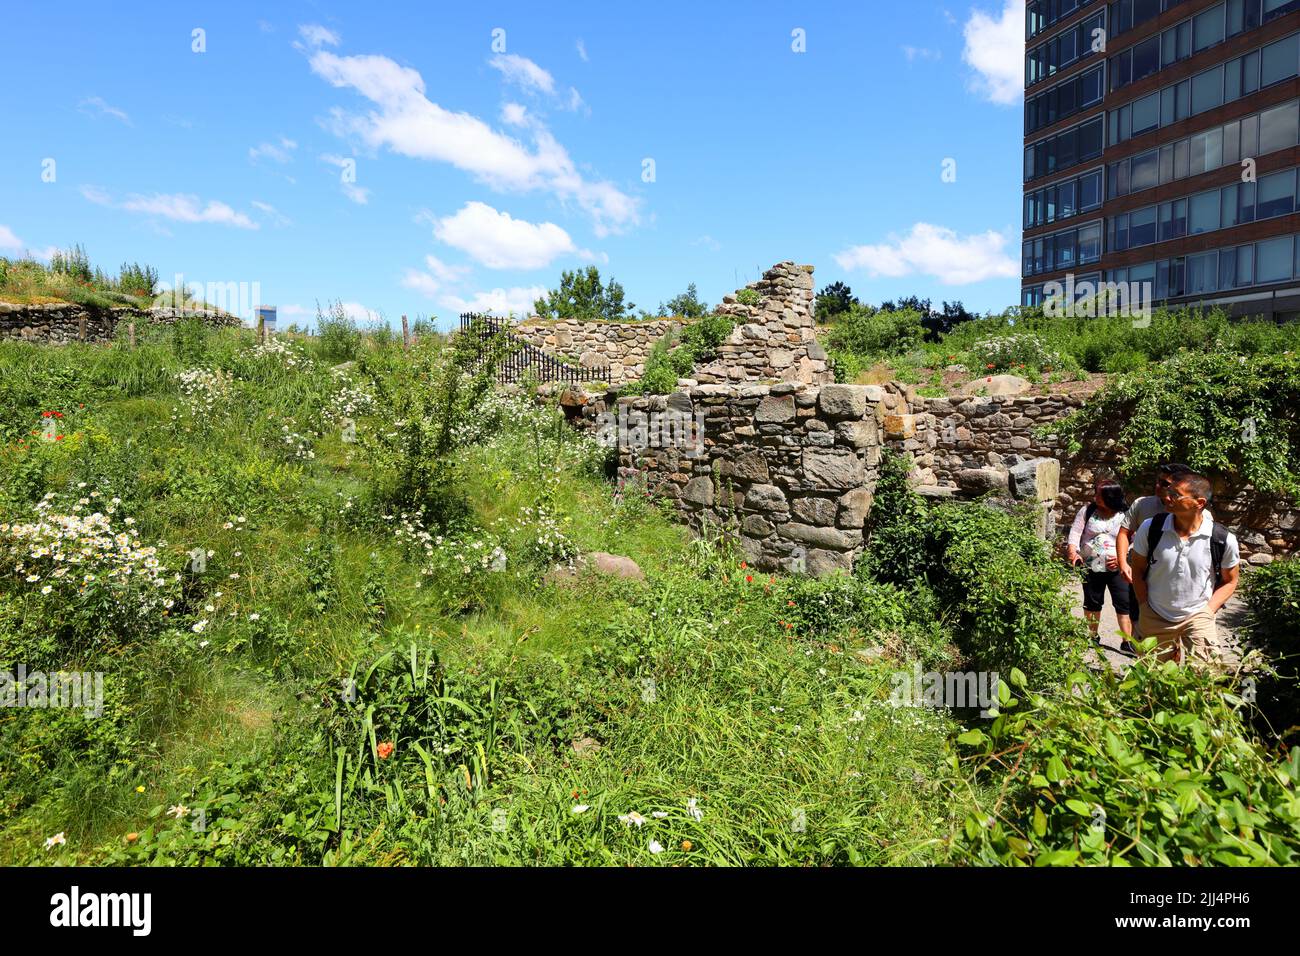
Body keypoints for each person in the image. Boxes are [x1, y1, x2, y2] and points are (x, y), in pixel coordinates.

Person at [1129, 472, 1240, 666]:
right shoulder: (1151, 528)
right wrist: (1144, 605)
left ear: (1200, 502)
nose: (1168, 497)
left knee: (1205, 680)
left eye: (1176, 494)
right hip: (1155, 614)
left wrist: (1209, 610)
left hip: (1198, 617)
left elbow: (1230, 580)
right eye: (1169, 492)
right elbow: (1137, 569)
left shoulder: (1222, 538)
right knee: (1150, 682)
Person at [1116, 463, 1213, 633]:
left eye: (1165, 484)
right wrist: (1123, 562)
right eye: (1158, 481)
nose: (1158, 486)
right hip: (1141, 573)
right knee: (1139, 619)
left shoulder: (1203, 517)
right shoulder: (1142, 505)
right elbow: (1124, 532)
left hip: (1177, 585)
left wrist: (1208, 609)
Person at [1066, 478, 1133, 647]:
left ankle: (1127, 641)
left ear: (1111, 497)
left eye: (1099, 494)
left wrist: (1121, 558)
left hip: (1117, 566)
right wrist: (1073, 552)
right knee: (1092, 601)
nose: (1095, 497)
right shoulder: (1087, 511)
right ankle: (1092, 636)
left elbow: (1135, 540)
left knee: (1123, 601)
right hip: (1090, 565)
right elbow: (1075, 533)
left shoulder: (1126, 515)